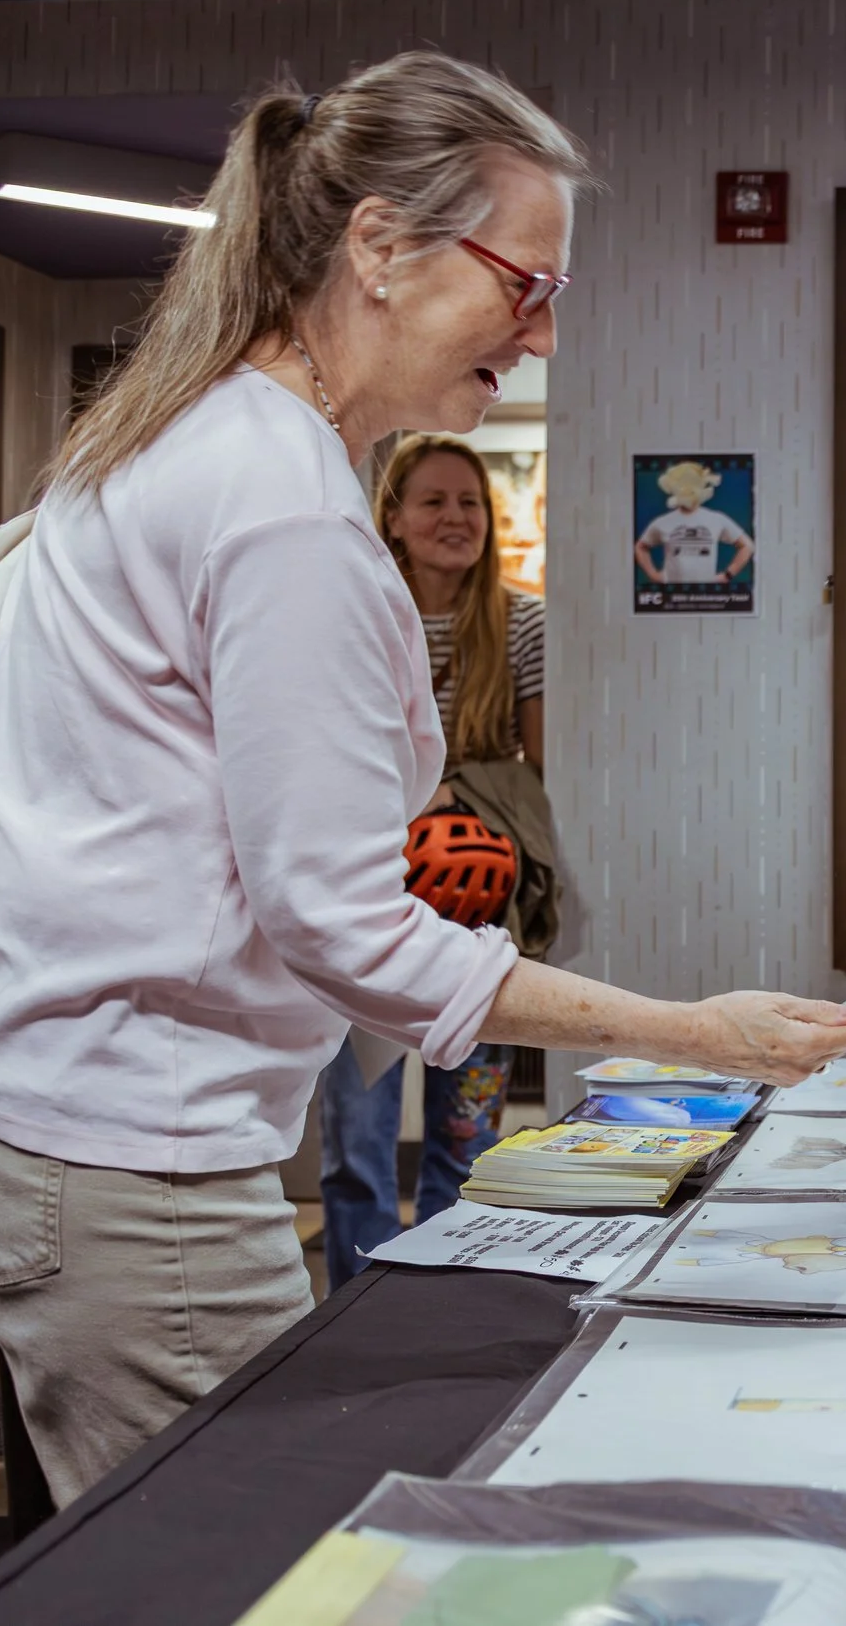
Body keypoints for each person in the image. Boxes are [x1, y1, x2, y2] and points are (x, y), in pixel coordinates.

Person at [0, 52, 846, 1506]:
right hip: (117, 1141)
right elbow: (343, 927)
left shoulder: (191, 430)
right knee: (253, 1557)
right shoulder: (282, 508)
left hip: (19, 1081)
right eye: (521, 286)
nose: (540, 337)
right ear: (377, 245)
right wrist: (698, 1030)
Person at [316, 434, 546, 1290]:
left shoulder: (523, 623)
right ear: (395, 519)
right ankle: (353, 1313)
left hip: (481, 909)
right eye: (434, 502)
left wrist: (464, 805)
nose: (456, 519)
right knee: (358, 1143)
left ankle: (445, 1308)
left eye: (471, 503)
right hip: (369, 904)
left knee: (468, 1142)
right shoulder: (359, 613)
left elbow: (537, 780)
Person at [634, 459, 753, 589]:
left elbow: (747, 546)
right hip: (672, 597)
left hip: (706, 597)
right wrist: (653, 575)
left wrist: (727, 575)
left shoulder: (716, 519)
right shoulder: (663, 522)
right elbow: (641, 547)